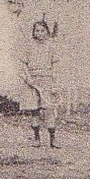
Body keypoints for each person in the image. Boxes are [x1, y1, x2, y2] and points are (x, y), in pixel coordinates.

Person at [20, 19, 60, 149]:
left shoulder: (51, 46)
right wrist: (28, 78)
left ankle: (52, 140)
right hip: (32, 81)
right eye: (37, 30)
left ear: (47, 32)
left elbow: (55, 66)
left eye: (42, 30)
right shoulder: (28, 46)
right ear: (33, 32)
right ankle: (36, 139)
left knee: (49, 109)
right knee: (34, 110)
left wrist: (54, 84)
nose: (40, 33)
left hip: (46, 80)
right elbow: (23, 64)